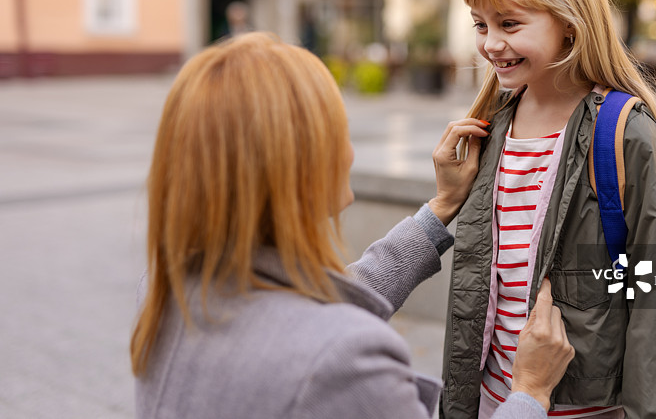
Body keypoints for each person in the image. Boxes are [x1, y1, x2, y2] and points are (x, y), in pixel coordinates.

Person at [130, 32, 575, 419]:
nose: (350, 153)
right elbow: (319, 336)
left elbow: (312, 307)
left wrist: (441, 207)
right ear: (296, 169)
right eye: (338, 132)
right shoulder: (344, 361)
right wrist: (529, 392)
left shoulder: (172, 290)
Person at [440, 0, 656, 419]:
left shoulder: (626, 135)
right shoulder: (490, 127)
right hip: (494, 401)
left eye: (509, 24)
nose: (489, 44)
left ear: (569, 22)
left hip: (583, 408)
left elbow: (651, 297)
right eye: (480, 24)